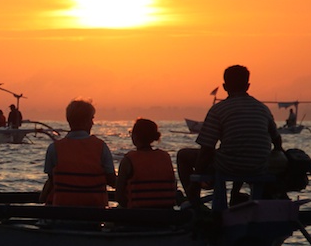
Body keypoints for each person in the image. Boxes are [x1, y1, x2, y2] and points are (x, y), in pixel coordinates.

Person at [176, 65, 283, 204]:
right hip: (258, 166)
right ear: (248, 86)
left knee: (183, 155)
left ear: (225, 86)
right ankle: (235, 195)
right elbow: (277, 141)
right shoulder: (262, 109)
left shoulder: (218, 110)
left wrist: (196, 179)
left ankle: (193, 200)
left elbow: (206, 149)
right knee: (237, 150)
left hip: (229, 165)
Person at [39, 99, 115, 206]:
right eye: (91, 119)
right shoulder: (101, 147)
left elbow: (52, 180)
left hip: (62, 213)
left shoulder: (54, 148)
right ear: (86, 121)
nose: (92, 123)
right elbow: (111, 180)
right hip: (95, 215)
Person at [115, 118, 177, 208]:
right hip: (166, 215)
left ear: (135, 136)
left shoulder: (128, 160)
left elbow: (119, 196)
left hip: (138, 216)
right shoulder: (165, 157)